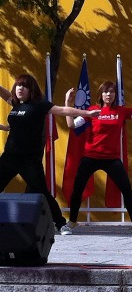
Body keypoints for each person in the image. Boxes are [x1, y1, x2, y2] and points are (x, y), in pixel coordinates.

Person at [61, 80, 132, 235]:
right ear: (101, 95)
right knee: (77, 190)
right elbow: (71, 125)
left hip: (112, 159)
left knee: (127, 191)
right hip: (90, 156)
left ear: (115, 95)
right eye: (106, 92)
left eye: (112, 92)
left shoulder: (120, 111)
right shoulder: (92, 110)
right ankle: (72, 222)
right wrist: (68, 102)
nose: (109, 94)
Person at [0, 74, 100, 232]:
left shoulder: (39, 105)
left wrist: (86, 114)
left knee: (42, 192)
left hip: (29, 160)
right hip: (9, 157)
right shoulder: (16, 104)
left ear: (31, 89)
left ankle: (60, 224)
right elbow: (4, 93)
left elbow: (61, 110)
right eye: (18, 85)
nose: (20, 88)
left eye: (24, 86)